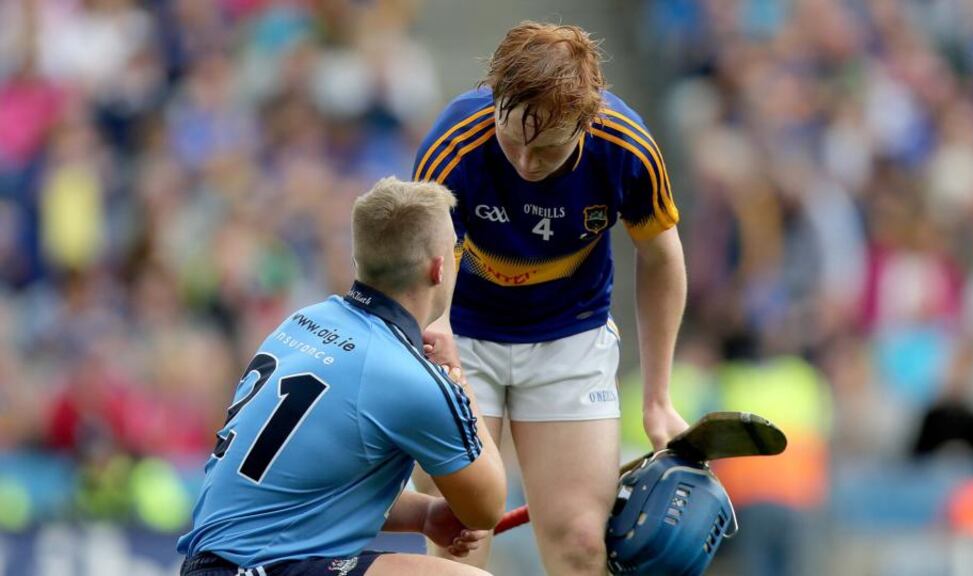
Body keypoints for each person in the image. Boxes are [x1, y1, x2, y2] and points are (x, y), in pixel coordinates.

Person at [412, 22, 689, 575]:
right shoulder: (452, 144)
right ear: (495, 99)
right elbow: (424, 267)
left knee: (583, 544)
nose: (525, 163)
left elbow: (661, 257)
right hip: (461, 338)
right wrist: (432, 340)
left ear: (587, 122)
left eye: (547, 148)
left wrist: (657, 399)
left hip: (571, 339)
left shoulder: (626, 148)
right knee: (459, 541)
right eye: (512, 138)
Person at [177, 177, 506, 576]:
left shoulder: (302, 322)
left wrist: (422, 515)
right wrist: (456, 377)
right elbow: (486, 506)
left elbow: (302, 490)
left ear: (359, 262)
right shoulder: (408, 376)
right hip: (264, 568)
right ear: (439, 268)